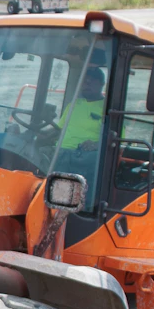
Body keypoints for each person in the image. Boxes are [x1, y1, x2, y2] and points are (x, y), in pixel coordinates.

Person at [50, 65, 108, 208]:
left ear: (101, 84)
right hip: (60, 155)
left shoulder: (107, 109)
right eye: (84, 81)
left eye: (91, 81)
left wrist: (96, 145)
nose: (86, 84)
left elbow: (116, 140)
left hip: (82, 159)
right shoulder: (73, 105)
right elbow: (58, 130)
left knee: (68, 198)